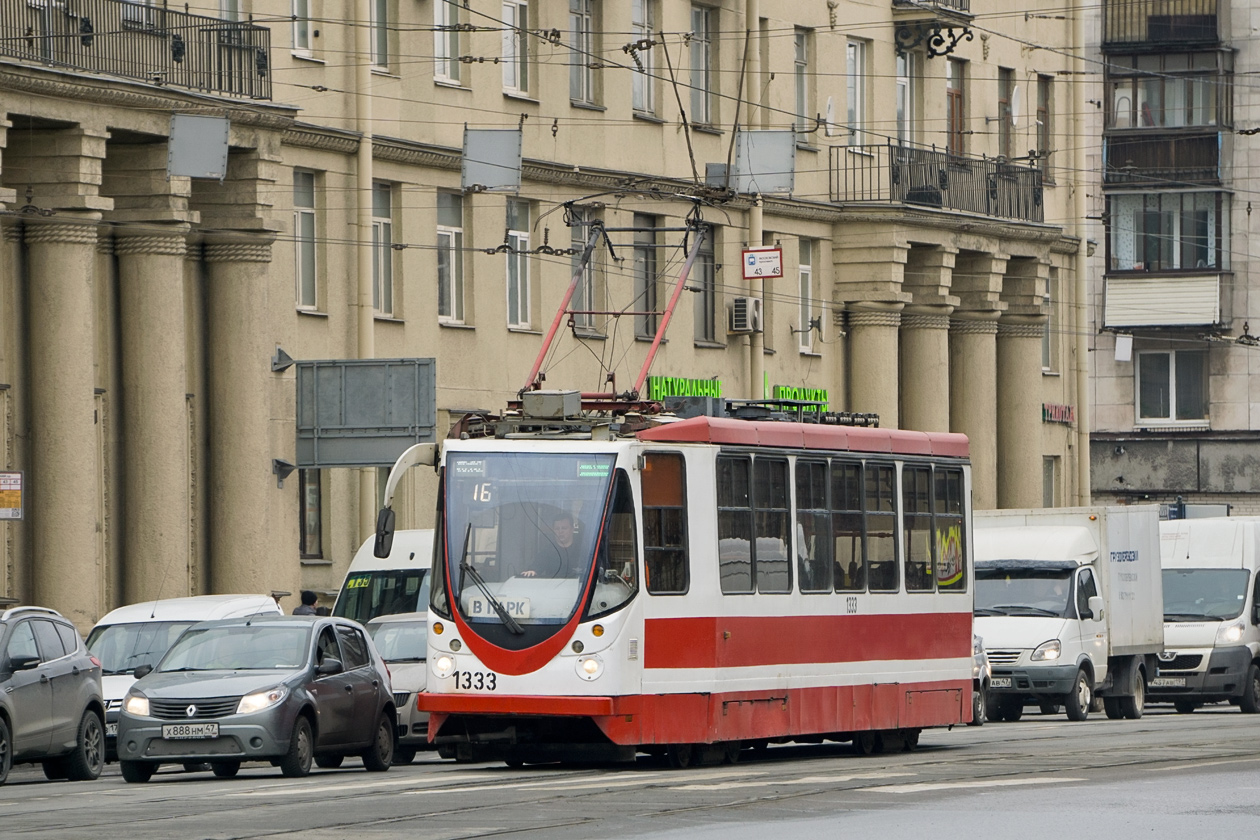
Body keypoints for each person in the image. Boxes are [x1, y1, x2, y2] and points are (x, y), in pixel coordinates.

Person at [522, 512, 584, 578]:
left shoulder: (582, 550)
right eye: (557, 529)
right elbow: (536, 567)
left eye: (564, 528)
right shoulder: (547, 551)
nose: (560, 531)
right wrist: (532, 571)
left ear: (572, 529)